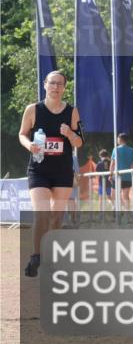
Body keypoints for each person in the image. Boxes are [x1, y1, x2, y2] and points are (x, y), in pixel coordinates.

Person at [18, 70, 85, 277]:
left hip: (62, 171)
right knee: (42, 214)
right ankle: (36, 256)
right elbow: (22, 134)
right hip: (39, 170)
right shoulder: (33, 110)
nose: (55, 87)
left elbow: (79, 143)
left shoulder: (72, 112)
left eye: (59, 84)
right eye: (52, 83)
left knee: (56, 217)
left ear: (64, 88)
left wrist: (70, 134)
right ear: (45, 85)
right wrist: (29, 145)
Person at [111, 132, 133, 215]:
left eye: (118, 139)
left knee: (114, 194)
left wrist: (110, 174)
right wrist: (132, 175)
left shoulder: (116, 149)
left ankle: (116, 209)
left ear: (120, 139)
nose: (117, 140)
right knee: (126, 195)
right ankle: (127, 213)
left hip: (117, 176)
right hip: (128, 176)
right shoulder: (131, 150)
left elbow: (112, 163)